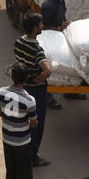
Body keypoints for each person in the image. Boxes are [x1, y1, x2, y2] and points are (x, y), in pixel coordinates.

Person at [13, 11, 52, 168]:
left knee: (24, 123)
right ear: (35, 28)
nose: (42, 26)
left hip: (22, 87)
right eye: (41, 24)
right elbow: (48, 70)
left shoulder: (18, 42)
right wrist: (41, 77)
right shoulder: (37, 50)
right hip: (36, 91)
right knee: (36, 124)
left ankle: (23, 152)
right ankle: (33, 157)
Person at [0, 62, 37, 179]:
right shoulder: (29, 100)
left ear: (12, 77)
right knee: (24, 173)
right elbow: (33, 122)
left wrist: (10, 117)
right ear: (26, 78)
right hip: (22, 142)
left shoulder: (1, 92)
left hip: (7, 139)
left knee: (11, 170)